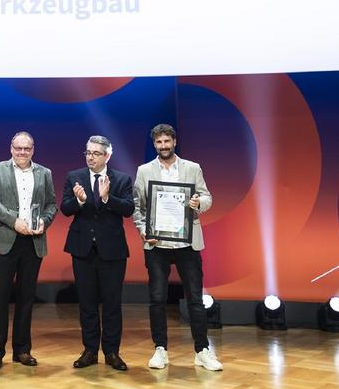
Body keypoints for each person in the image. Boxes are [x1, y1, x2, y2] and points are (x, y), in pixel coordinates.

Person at [133, 124, 223, 371]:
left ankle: (202, 351)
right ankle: (160, 349)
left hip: (187, 243)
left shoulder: (192, 168)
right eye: (159, 142)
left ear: (175, 142)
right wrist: (143, 230)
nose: (163, 146)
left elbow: (207, 197)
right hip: (157, 244)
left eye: (167, 141)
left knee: (195, 299)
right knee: (157, 299)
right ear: (154, 144)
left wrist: (198, 202)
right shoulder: (144, 171)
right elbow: (138, 207)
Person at [0, 131, 57, 369]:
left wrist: (45, 220)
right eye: (18, 148)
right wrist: (13, 221)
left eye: (27, 148)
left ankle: (22, 350)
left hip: (33, 241)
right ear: (11, 148)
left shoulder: (44, 173)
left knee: (26, 298)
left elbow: (51, 204)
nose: (22, 152)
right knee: (0, 297)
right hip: (6, 238)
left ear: (33, 150)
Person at [61, 135, 134, 371]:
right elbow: (65, 208)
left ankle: (111, 352)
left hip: (112, 251)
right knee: (87, 303)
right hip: (82, 249)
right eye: (88, 152)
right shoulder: (74, 176)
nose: (90, 157)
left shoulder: (121, 179)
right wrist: (80, 201)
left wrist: (106, 198)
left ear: (107, 156)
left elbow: (128, 209)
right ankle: (90, 350)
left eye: (96, 153)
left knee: (112, 304)